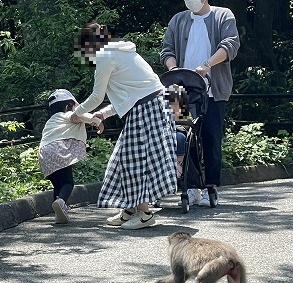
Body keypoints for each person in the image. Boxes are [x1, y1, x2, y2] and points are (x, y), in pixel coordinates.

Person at [73, 23, 177, 230]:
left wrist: (76, 114)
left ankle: (145, 214)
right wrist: (103, 113)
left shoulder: (105, 56)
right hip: (153, 105)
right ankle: (130, 209)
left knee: (135, 162)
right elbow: (132, 93)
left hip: (146, 109)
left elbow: (96, 96)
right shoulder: (121, 51)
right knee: (122, 159)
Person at [161, 0, 240, 207]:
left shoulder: (223, 15)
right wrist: (173, 69)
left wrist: (207, 65)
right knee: (184, 137)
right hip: (178, 91)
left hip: (213, 88)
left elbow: (230, 45)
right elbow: (167, 50)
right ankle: (191, 186)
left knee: (211, 137)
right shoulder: (178, 20)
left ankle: (211, 186)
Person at [38, 89, 103, 224]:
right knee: (68, 182)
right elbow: (80, 116)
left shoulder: (51, 121)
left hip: (44, 153)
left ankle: (59, 212)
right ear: (68, 106)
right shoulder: (68, 115)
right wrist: (97, 121)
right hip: (58, 149)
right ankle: (61, 202)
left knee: (58, 184)